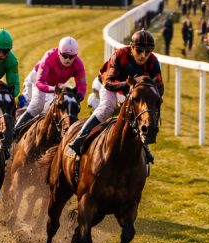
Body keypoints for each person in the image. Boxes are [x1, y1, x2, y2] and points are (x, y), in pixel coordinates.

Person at [67, 29, 164, 161]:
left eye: (148, 52)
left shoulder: (153, 61)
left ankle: (144, 148)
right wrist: (128, 85)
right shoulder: (120, 55)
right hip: (110, 86)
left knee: (141, 114)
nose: (143, 56)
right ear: (132, 47)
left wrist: (148, 92)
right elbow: (109, 83)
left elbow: (160, 87)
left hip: (132, 91)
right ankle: (78, 140)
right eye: (139, 51)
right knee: (107, 108)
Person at [15, 36, 86, 130]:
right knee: (37, 106)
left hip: (55, 85)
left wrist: (79, 96)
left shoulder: (78, 64)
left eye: (72, 57)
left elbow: (82, 86)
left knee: (64, 104)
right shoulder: (49, 57)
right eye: (65, 56)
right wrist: (53, 89)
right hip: (37, 79)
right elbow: (39, 82)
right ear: (59, 53)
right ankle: (16, 130)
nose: (68, 60)